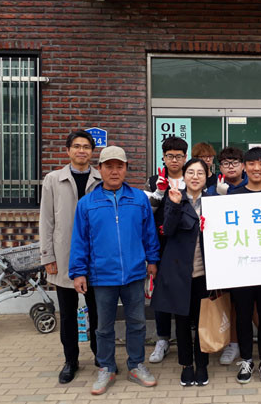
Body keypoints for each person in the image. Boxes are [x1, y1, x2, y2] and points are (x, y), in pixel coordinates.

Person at [69, 146, 160, 395]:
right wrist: (78, 272)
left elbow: (149, 234)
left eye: (119, 166)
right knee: (103, 326)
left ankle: (136, 365)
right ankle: (106, 367)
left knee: (137, 323)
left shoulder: (139, 199)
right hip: (102, 275)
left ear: (126, 168)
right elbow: (80, 240)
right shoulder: (87, 204)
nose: (114, 171)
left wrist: (153, 260)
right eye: (109, 166)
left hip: (134, 273)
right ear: (100, 169)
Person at [39, 130, 101, 384]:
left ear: (92, 152)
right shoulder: (53, 180)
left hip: (96, 256)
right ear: (68, 150)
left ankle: (100, 355)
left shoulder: (100, 179)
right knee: (66, 313)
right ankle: (71, 360)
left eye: (86, 146)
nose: (81, 151)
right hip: (63, 254)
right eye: (77, 146)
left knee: (98, 311)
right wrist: (47, 255)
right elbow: (46, 220)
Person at [151, 158, 211, 387]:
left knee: (203, 322)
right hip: (179, 272)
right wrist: (175, 206)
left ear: (207, 177)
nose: (195, 177)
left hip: (204, 273)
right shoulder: (174, 197)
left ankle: (202, 364)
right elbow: (167, 230)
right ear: (184, 176)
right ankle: (186, 365)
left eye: (200, 173)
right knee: (183, 322)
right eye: (191, 172)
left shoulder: (214, 201)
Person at [229, 147, 261, 384]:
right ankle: (247, 359)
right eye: (251, 164)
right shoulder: (234, 196)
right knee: (243, 315)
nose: (256, 168)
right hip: (242, 269)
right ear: (244, 167)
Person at [145, 136, 188, 363]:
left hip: (186, 244)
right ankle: (162, 338)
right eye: (170, 156)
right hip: (161, 245)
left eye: (178, 156)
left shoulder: (192, 177)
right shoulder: (154, 181)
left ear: (185, 157)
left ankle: (186, 336)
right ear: (163, 157)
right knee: (161, 292)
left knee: (185, 290)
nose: (174, 160)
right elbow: (146, 214)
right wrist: (159, 193)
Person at [206, 146, 247, 365]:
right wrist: (219, 198)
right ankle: (233, 343)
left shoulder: (251, 185)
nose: (230, 167)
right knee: (230, 301)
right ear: (219, 167)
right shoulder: (213, 190)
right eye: (225, 163)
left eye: (234, 162)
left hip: (250, 254)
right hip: (225, 256)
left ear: (243, 165)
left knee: (252, 302)